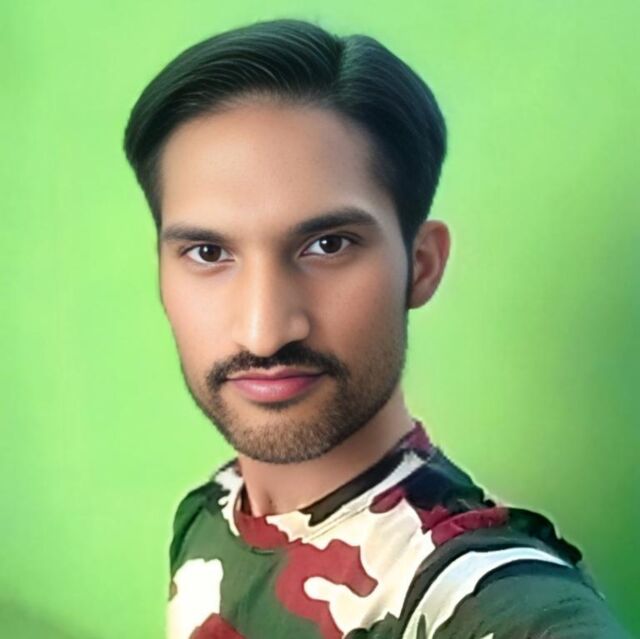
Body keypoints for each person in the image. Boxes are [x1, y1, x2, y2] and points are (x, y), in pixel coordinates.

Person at [123, 18, 631, 639]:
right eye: (208, 253)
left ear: (421, 266)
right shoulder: (207, 516)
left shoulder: (475, 593)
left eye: (328, 245)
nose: (264, 332)